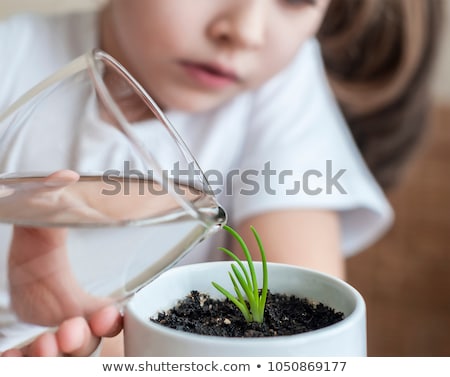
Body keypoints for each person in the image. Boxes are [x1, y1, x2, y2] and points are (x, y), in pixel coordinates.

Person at [0, 0, 442, 356]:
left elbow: (305, 329)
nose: (245, 31)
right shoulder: (13, 54)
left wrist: (110, 354)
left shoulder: (281, 89)